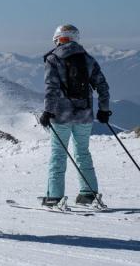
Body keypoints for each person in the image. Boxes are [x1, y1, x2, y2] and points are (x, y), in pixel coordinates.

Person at [39, 25, 111, 207]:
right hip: (84, 115)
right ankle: (88, 194)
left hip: (61, 115)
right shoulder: (88, 59)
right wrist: (103, 109)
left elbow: (51, 88)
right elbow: (102, 86)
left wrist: (47, 111)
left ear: (58, 38)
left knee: (58, 155)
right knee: (83, 153)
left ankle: (54, 197)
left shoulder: (53, 58)